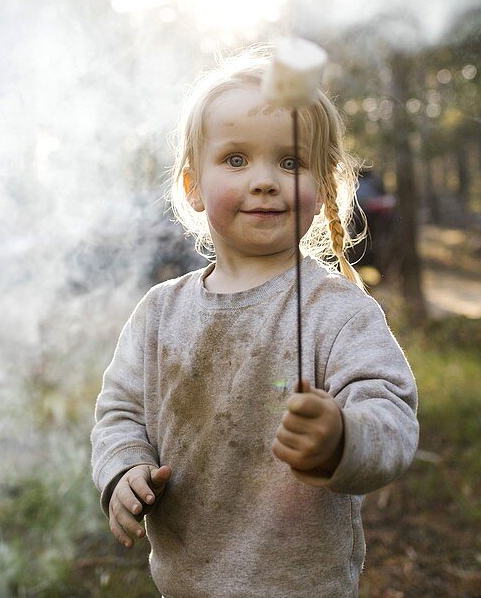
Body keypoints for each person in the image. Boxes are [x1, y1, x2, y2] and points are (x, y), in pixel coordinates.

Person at [90, 45, 419, 598]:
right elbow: (121, 413)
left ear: (323, 192)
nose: (265, 181)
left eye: (290, 163)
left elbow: (392, 415)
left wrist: (342, 438)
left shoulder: (336, 311)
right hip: (186, 582)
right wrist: (124, 469)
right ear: (193, 187)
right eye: (236, 159)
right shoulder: (160, 314)